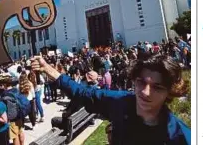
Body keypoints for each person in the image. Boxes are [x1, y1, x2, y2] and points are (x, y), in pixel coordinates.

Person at [32, 54, 191, 144]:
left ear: (170, 92)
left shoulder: (180, 137)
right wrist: (48, 69)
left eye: (157, 87)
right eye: (141, 82)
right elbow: (83, 93)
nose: (145, 92)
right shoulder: (120, 102)